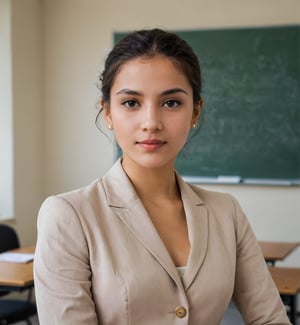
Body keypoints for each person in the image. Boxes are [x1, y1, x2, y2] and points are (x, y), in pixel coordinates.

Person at [34, 28, 291, 325]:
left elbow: (270, 318)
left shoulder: (226, 212)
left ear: (195, 112)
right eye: (131, 102)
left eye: (171, 103)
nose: (151, 123)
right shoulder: (68, 215)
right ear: (107, 112)